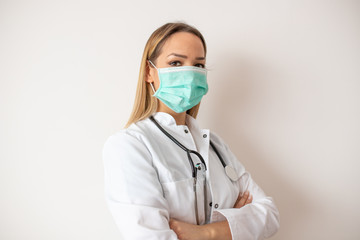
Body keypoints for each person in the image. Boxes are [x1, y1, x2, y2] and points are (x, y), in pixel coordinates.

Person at [103, 22, 280, 240]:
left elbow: (270, 215)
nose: (189, 74)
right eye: (176, 63)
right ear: (150, 72)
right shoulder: (130, 146)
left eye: (198, 65)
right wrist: (235, 224)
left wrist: (206, 233)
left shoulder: (215, 145)